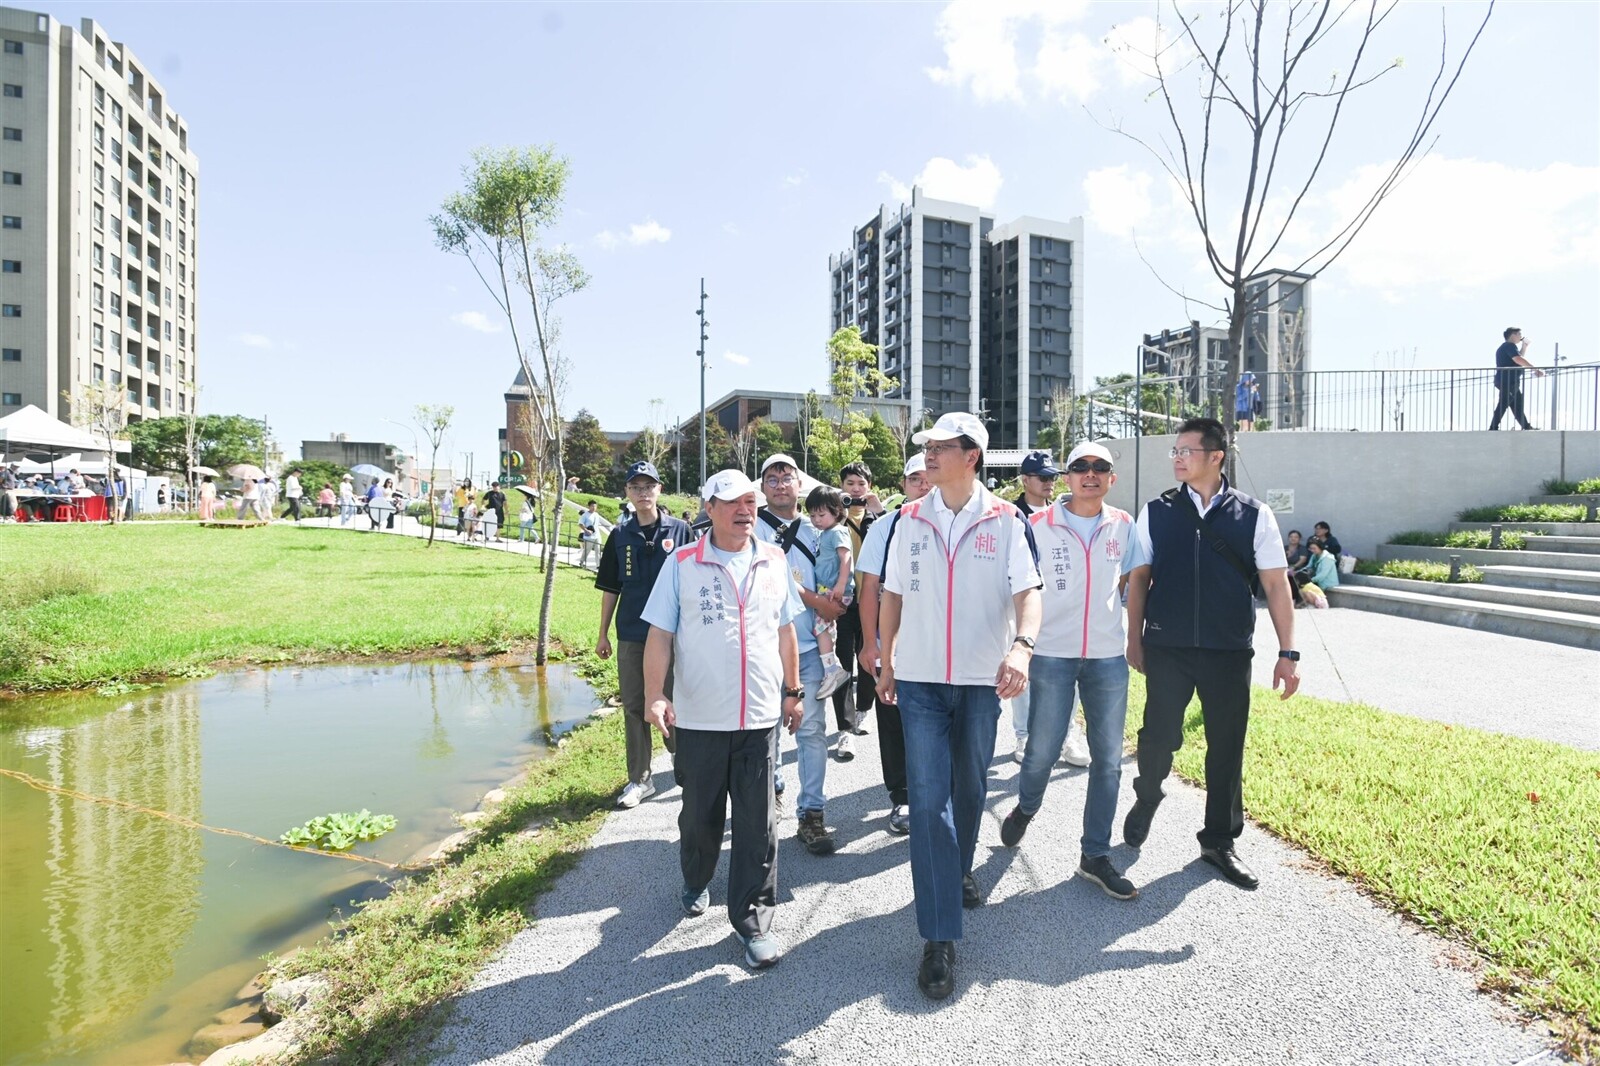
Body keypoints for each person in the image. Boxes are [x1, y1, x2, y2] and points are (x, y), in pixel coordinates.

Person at [876, 411, 1042, 1001]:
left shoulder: (1006, 518)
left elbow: (1028, 594)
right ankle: (940, 936)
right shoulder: (908, 519)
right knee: (927, 801)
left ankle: (956, 868)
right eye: (926, 448)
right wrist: (885, 657)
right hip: (919, 682)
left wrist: (1022, 650)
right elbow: (892, 593)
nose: (928, 456)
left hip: (980, 682)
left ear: (971, 456)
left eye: (940, 448)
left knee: (969, 789)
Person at [1123, 417, 1300, 891]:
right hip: (1168, 645)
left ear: (1216, 456)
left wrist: (1289, 652)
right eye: (1175, 450)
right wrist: (1134, 637)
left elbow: (1276, 585)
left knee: (1226, 746)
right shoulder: (1156, 510)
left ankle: (1219, 841)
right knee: (1158, 735)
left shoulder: (1254, 514)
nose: (1177, 457)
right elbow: (1139, 578)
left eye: (1187, 450)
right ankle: (1146, 793)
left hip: (1228, 650)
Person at [642, 468, 804, 971]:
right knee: (699, 815)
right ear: (708, 507)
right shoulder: (683, 563)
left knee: (759, 824)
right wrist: (654, 695)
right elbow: (660, 636)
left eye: (751, 503)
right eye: (733, 502)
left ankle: (753, 919)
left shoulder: (774, 560)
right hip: (699, 718)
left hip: (758, 719)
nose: (746, 511)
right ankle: (696, 875)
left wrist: (793, 692)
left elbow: (786, 633)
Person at [999, 442, 1142, 899]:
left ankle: (1094, 854)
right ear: (1066, 477)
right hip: (1052, 655)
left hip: (1106, 658)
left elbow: (1138, 579)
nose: (1091, 474)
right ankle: (1026, 805)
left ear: (1112, 479)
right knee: (1041, 750)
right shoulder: (1037, 526)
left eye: (1101, 468)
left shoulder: (1123, 525)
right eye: (1081, 467)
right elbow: (1014, 587)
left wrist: (1134, 638)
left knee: (1109, 760)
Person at [755, 453, 844, 856]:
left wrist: (837, 603)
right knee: (762, 730)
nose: (778, 484)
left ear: (799, 484)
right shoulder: (747, 526)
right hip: (758, 648)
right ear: (762, 487)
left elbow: (842, 576)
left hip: (808, 646)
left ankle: (811, 812)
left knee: (810, 732)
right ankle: (767, 795)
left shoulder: (818, 531)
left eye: (786, 476)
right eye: (770, 478)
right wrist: (813, 599)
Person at [595, 460, 696, 808]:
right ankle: (640, 779)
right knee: (635, 705)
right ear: (627, 492)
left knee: (678, 701)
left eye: (648, 486)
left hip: (676, 635)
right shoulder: (619, 536)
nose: (643, 493)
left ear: (659, 489)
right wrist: (603, 634)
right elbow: (610, 588)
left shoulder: (681, 531)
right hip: (633, 633)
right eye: (636, 487)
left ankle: (685, 765)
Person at [855, 452, 929, 836]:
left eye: (929, 476)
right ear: (903, 485)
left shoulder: (952, 523)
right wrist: (871, 644)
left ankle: (934, 794)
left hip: (939, 648)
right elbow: (868, 589)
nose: (924, 485)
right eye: (915, 479)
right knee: (893, 718)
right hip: (894, 645)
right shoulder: (885, 527)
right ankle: (901, 794)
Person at [1010, 450, 1090, 768]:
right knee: (1022, 672)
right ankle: (1024, 734)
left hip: (1062, 606)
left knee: (1067, 674)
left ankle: (1068, 734)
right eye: (1043, 477)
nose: (1049, 483)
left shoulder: (1065, 513)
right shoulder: (1010, 516)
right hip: (1021, 604)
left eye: (1053, 477)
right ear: (1025, 480)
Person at [829, 461, 886, 751]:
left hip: (873, 602)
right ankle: (845, 727)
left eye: (861, 484)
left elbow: (895, 543)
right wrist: (836, 512)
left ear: (870, 487)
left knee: (869, 663)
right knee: (842, 665)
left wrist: (878, 511)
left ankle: (863, 708)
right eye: (849, 483)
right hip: (842, 603)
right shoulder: (834, 516)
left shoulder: (880, 519)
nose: (855, 489)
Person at [804, 485, 855, 711]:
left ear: (836, 512)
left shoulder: (837, 532)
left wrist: (841, 584)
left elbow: (846, 558)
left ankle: (833, 670)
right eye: (812, 515)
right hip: (829, 588)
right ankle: (831, 668)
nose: (816, 519)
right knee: (824, 628)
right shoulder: (825, 532)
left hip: (835, 589)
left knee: (821, 628)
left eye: (821, 514)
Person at [1491, 327, 1544, 431]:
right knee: (1504, 403)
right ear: (1513, 335)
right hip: (1508, 380)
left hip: (1509, 381)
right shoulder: (1509, 345)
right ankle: (1493, 427)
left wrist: (1524, 347)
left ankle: (1526, 426)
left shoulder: (1507, 347)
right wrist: (1535, 369)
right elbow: (1518, 359)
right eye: (1519, 334)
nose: (1521, 337)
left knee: (1517, 406)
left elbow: (1517, 358)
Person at [578, 500, 603, 569]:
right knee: (587, 550)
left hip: (597, 535)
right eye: (592, 506)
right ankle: (581, 562)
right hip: (589, 536)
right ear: (589, 506)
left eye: (595, 506)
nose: (594, 507)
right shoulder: (585, 515)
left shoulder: (597, 515)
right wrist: (586, 530)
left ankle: (598, 565)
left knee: (598, 550)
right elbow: (580, 524)